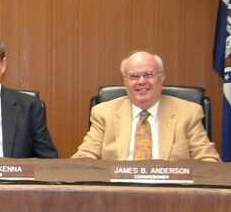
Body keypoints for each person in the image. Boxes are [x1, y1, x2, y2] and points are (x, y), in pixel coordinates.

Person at [72, 51, 219, 161]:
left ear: (161, 78)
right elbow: (84, 157)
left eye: (149, 74)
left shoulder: (188, 113)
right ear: (125, 82)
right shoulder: (103, 113)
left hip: (170, 190)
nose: (142, 81)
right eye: (134, 76)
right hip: (118, 189)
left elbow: (208, 160)